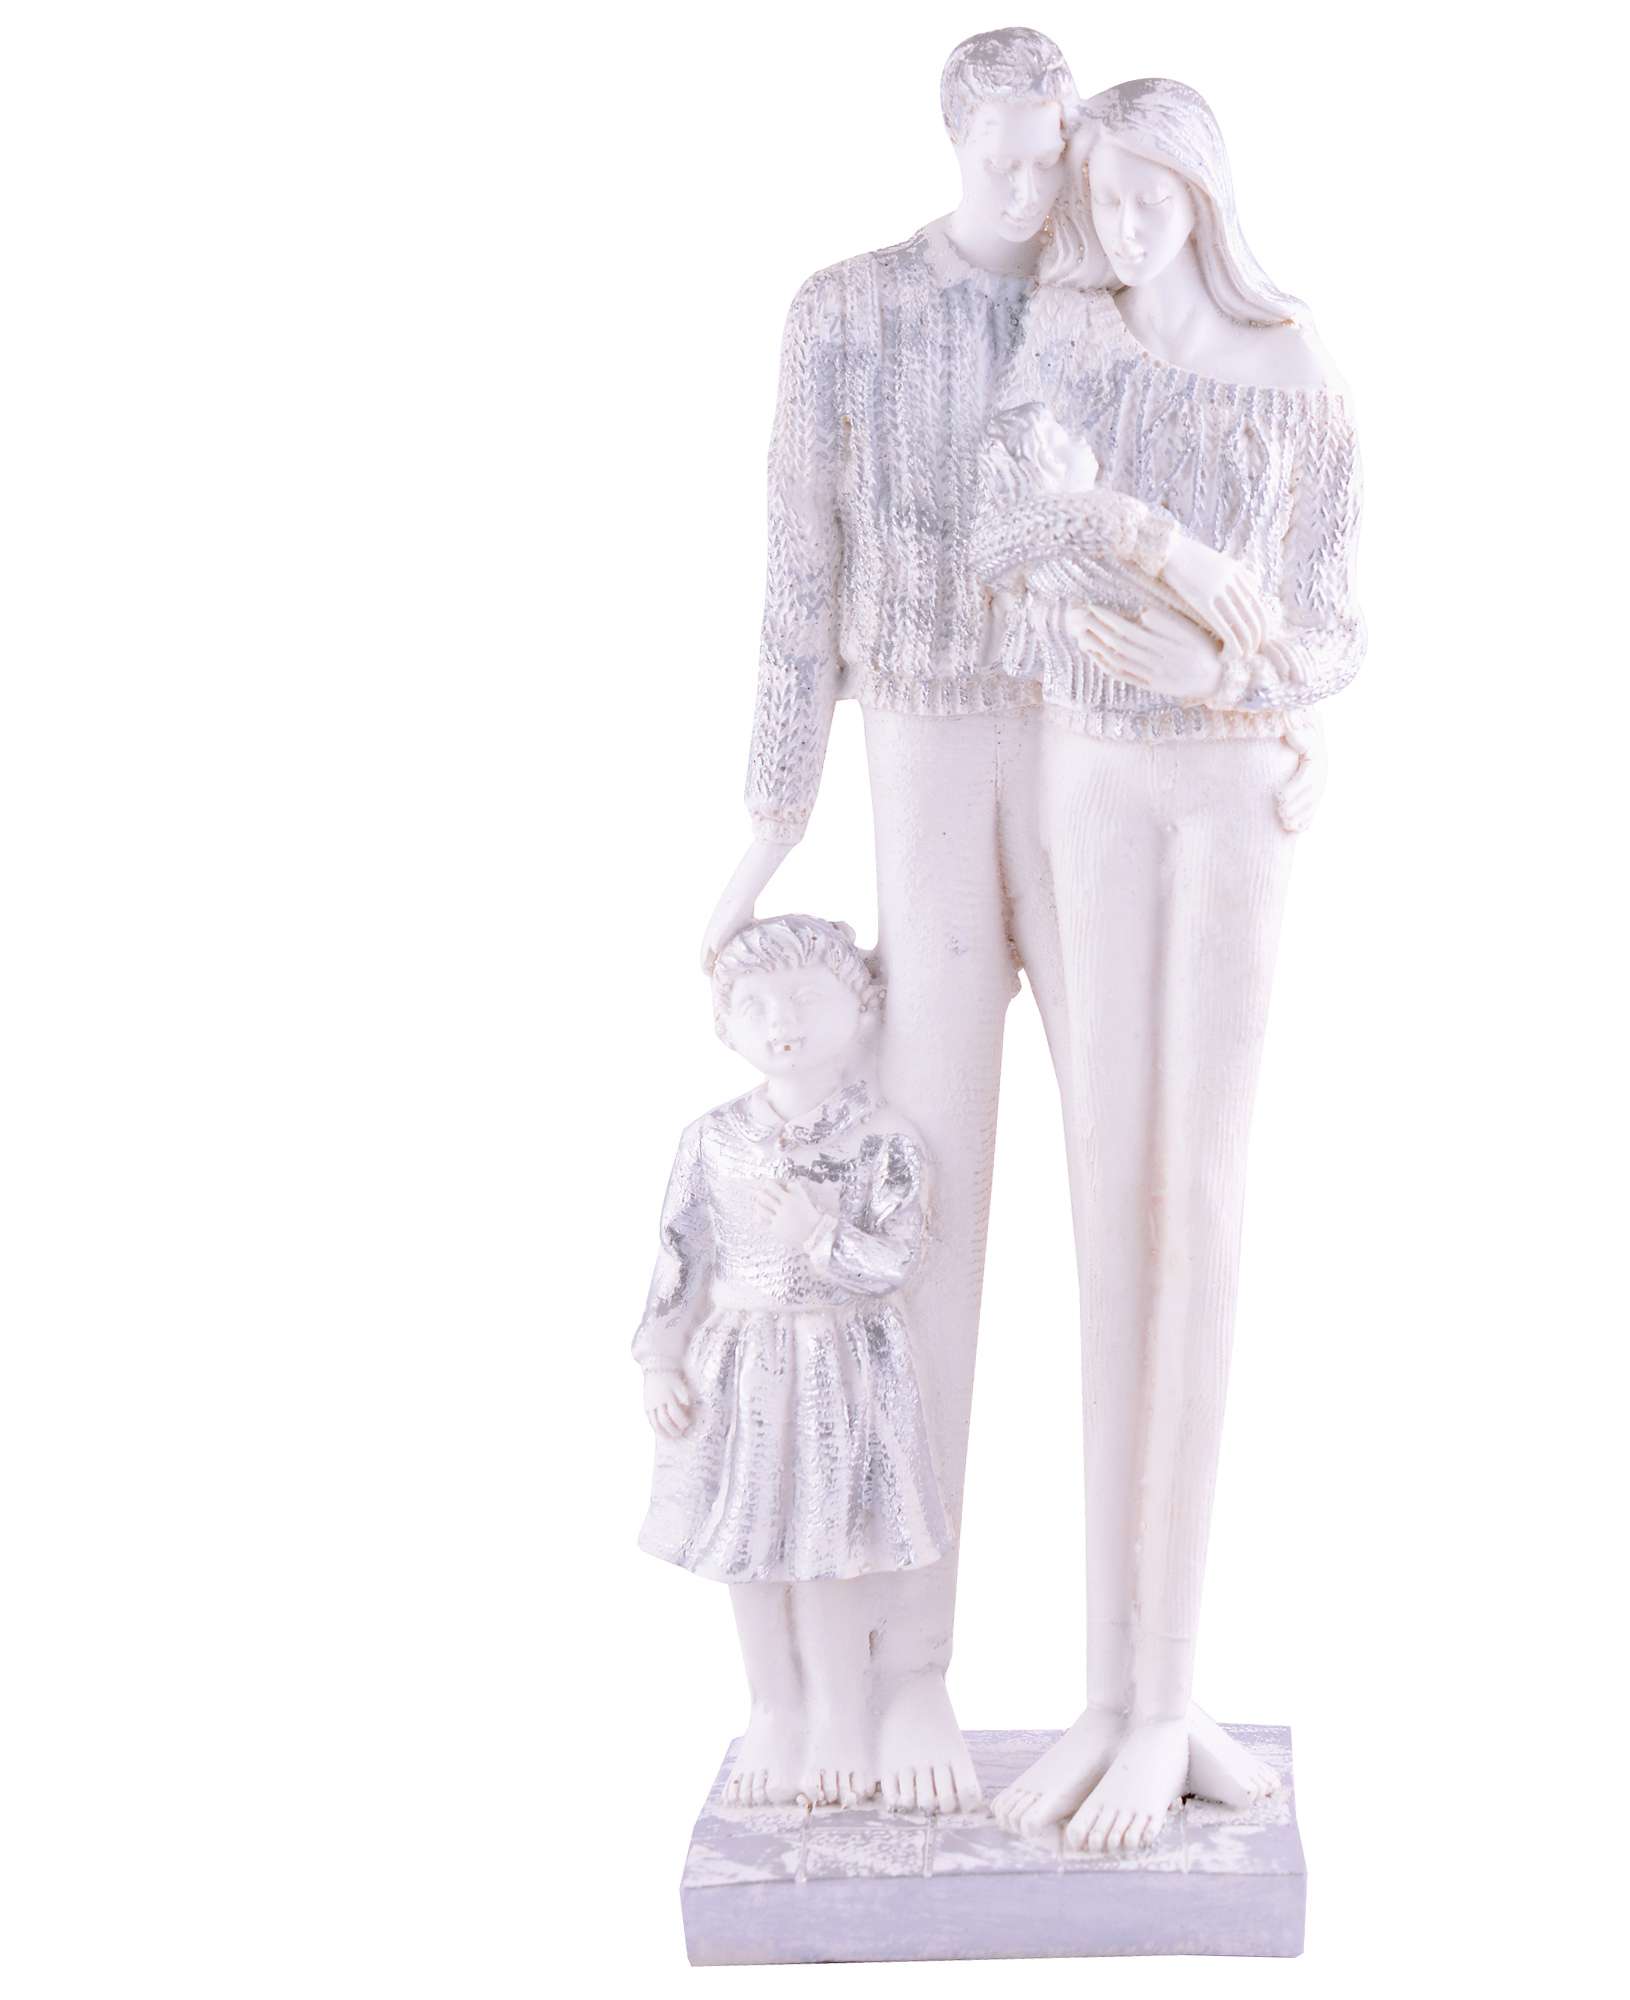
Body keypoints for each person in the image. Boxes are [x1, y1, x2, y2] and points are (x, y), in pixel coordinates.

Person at [969, 77, 1366, 1851]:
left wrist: (1231, 667)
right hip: (1093, 776)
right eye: (1102, 206)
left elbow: (1330, 618)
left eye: (1151, 203)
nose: (1122, 233)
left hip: (1230, 794)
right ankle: (1108, 1693)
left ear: (1204, 198)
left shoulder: (1295, 372)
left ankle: (1169, 1696)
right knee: (1100, 1191)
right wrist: (1139, 561)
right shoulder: (1068, 346)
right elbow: (1003, 539)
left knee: (1195, 1202)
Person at [697, 26, 1082, 1813]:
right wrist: (770, 822)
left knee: (1145, 1187)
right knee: (919, 1212)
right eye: (1000, 148)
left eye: (1048, 148)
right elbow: (800, 574)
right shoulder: (847, 312)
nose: (1026, 179)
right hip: (924, 749)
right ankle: (900, 1667)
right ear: (953, 134)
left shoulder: (1117, 301)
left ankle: (1140, 1685)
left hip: (1108, 754)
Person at [635, 915, 949, 1811]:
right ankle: (773, 1706)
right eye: (756, 1005)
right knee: (748, 1549)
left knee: (827, 1549)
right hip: (739, 1367)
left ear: (862, 1008)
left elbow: (900, 1259)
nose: (783, 1021)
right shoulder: (711, 1139)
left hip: (838, 1367)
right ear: (725, 1024)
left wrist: (818, 1236)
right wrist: (659, 1358)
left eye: (808, 998)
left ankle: (840, 1716)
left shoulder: (881, 1140)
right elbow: (680, 1254)